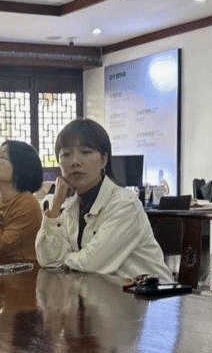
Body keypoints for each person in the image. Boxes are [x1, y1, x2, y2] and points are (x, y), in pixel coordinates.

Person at [36, 118, 171, 281]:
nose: (75, 162)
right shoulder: (70, 206)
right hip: (98, 292)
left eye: (86, 152)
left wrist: (62, 259)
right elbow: (48, 260)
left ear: (104, 159)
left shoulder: (124, 203)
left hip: (151, 294)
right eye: (66, 154)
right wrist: (56, 206)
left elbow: (92, 264)